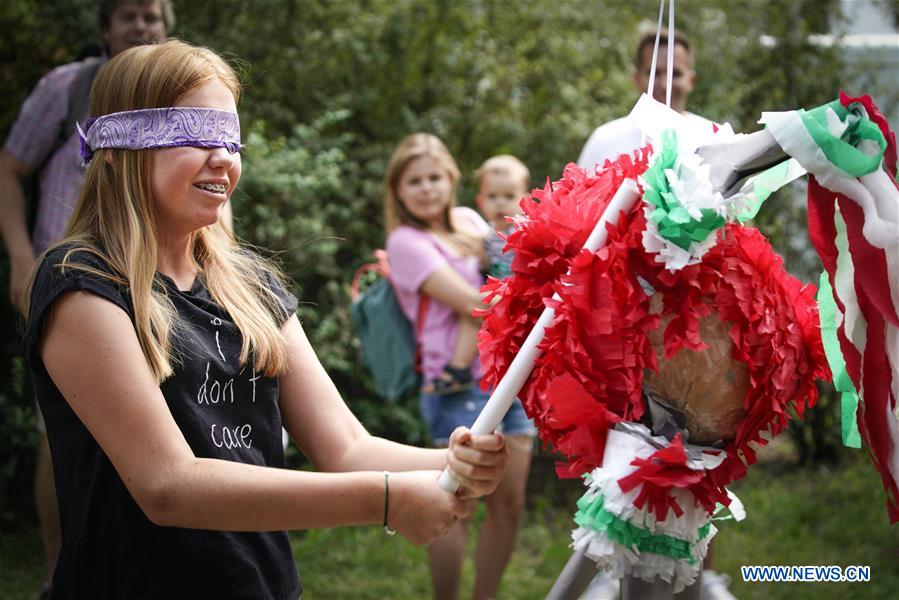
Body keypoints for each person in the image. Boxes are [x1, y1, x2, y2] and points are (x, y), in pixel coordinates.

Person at [21, 40, 508, 599]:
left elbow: (346, 447)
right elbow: (168, 486)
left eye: (230, 138)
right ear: (118, 148)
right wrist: (385, 499)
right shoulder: (82, 285)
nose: (223, 158)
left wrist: (452, 462)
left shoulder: (249, 287)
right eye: (195, 134)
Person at [0, 2, 181, 596]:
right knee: (63, 431)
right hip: (72, 282)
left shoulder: (179, 93)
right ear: (105, 27)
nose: (142, 26)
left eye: (152, 15)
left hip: (158, 288)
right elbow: (8, 168)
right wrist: (23, 259)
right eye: (129, 15)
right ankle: (60, 568)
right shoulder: (68, 87)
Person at [576, 26, 736, 600]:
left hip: (700, 325)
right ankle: (612, 573)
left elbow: (738, 232)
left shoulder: (716, 137)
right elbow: (582, 220)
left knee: (703, 452)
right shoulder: (608, 137)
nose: (667, 79)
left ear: (692, 75)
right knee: (619, 451)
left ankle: (698, 575)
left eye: (677, 69)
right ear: (636, 76)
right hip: (623, 322)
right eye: (655, 69)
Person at [384, 134, 534, 600]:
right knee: (453, 507)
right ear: (398, 190)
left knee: (509, 505)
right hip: (455, 385)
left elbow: (509, 261)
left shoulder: (470, 220)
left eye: (435, 177)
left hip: (508, 375)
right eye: (415, 181)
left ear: (451, 180)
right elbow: (476, 302)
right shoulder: (406, 242)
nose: (427, 188)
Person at [577, 26, 709, 172]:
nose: (665, 85)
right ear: (637, 79)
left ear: (691, 80)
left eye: (675, 74)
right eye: (654, 74)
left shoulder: (713, 141)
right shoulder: (604, 141)